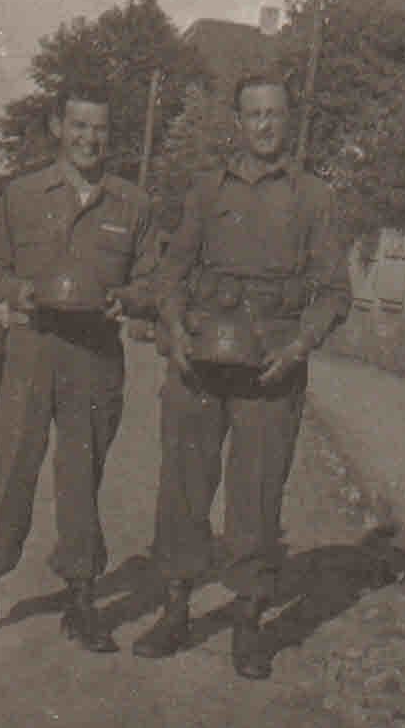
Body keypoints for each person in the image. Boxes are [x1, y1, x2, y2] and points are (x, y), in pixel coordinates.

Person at [136, 72, 352, 679]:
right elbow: (170, 273)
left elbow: (335, 291)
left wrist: (301, 346)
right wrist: (175, 329)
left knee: (257, 496)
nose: (264, 125)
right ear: (238, 122)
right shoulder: (207, 190)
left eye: (274, 114)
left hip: (270, 369)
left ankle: (249, 624)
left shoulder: (313, 198)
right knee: (183, 487)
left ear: (288, 120)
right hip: (200, 364)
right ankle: (174, 610)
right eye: (254, 114)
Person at [0, 83, 157, 649]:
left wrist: (128, 300)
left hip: (93, 355)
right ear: (57, 128)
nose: (90, 138)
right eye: (79, 126)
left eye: (101, 129)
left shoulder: (133, 204)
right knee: (10, 469)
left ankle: (82, 600)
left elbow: (152, 281)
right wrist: (17, 292)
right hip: (31, 348)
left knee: (81, 478)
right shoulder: (20, 195)